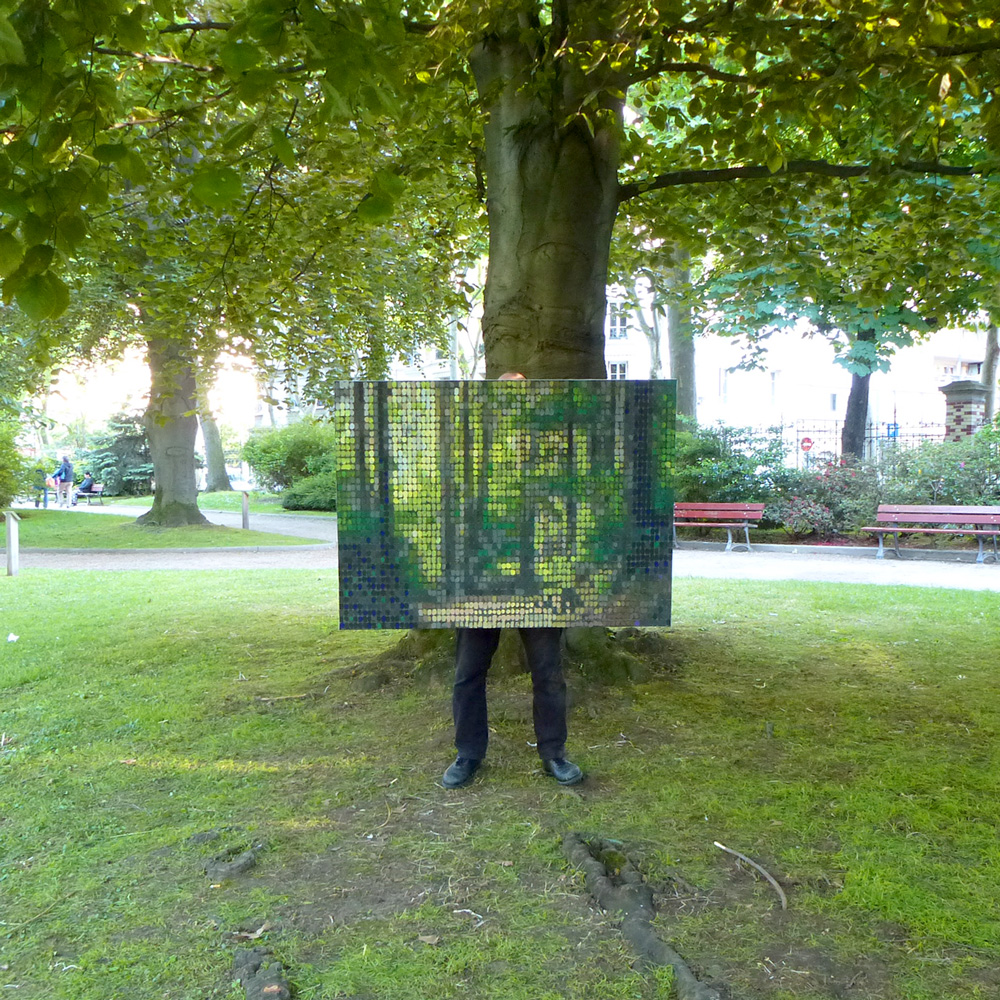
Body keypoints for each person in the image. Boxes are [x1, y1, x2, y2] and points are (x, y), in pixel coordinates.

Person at [442, 372, 583, 789]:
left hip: (537, 580)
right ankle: (468, 754)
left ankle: (554, 754)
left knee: (548, 673)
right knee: (468, 672)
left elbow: (565, 511)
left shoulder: (547, 453)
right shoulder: (474, 454)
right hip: (483, 580)